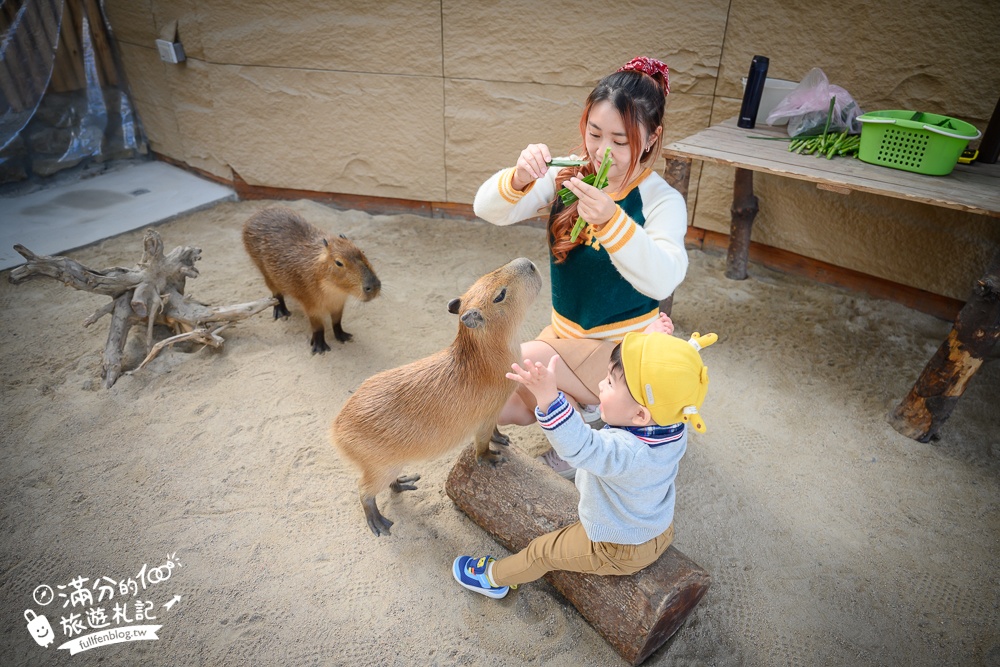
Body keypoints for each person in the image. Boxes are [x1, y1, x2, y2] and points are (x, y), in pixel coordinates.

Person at [473, 56, 689, 478]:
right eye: (594, 133)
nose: (602, 150)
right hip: (565, 334)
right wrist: (518, 178)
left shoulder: (662, 200)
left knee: (525, 358)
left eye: (620, 140)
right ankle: (580, 423)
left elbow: (666, 276)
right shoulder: (570, 174)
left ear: (651, 138)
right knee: (505, 404)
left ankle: (594, 419)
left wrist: (613, 221)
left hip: (622, 354)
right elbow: (486, 209)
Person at [452, 328, 717, 599]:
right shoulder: (673, 423)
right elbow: (670, 380)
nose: (601, 384)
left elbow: (580, 446)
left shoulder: (626, 452)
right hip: (657, 526)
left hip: (618, 546)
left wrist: (548, 398)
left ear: (639, 414)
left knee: (542, 553)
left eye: (611, 383)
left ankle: (492, 579)